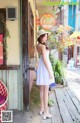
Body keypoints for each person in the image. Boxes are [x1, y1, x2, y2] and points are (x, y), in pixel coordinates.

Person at [36, 29, 56, 120]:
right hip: (45, 68)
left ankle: (42, 108)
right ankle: (46, 113)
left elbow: (41, 59)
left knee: (42, 90)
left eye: (46, 35)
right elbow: (45, 59)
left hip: (42, 67)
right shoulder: (43, 46)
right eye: (44, 35)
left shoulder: (38, 46)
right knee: (46, 91)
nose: (46, 37)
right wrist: (50, 72)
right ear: (40, 37)